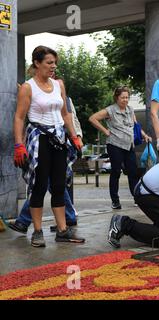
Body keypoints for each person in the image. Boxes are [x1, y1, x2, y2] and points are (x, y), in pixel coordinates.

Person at [13, 46, 85, 247]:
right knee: (39, 185)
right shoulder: (28, 87)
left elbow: (66, 114)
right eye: (49, 63)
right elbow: (19, 117)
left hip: (59, 137)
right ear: (37, 63)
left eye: (55, 63)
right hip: (39, 137)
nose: (53, 67)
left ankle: (62, 230)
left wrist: (74, 136)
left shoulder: (58, 84)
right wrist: (19, 145)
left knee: (60, 185)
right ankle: (37, 231)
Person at [89, 86, 150, 210]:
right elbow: (92, 118)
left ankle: (136, 198)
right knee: (116, 171)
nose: (125, 100)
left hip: (129, 145)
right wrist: (105, 131)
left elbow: (136, 126)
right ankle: (115, 201)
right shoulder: (110, 110)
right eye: (123, 97)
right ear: (117, 97)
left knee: (133, 172)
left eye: (127, 97)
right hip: (115, 144)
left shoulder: (130, 110)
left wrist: (144, 135)